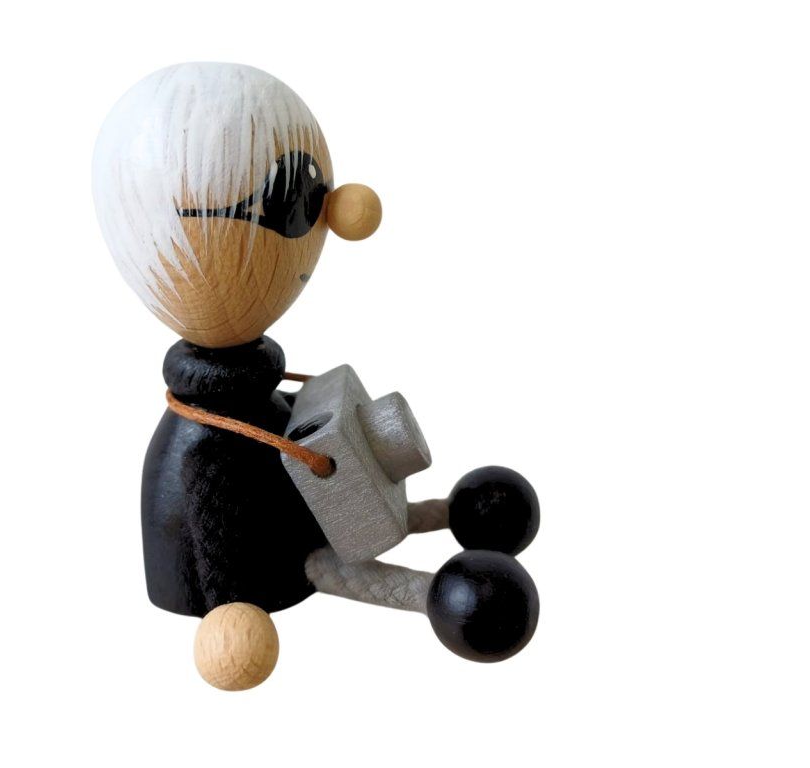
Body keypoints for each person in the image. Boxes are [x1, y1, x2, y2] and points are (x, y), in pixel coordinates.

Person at [93, 62, 540, 690]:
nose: (336, 215)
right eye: (288, 205)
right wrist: (228, 603)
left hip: (291, 523)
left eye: (311, 200)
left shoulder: (263, 403)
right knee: (310, 552)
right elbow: (209, 500)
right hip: (259, 573)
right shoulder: (207, 441)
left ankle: (451, 523)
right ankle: (433, 587)